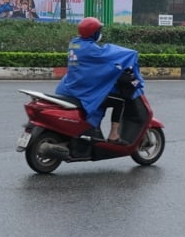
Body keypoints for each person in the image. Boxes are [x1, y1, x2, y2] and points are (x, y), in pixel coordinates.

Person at [54, 17, 144, 145]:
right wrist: (131, 55)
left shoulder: (74, 43)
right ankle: (113, 135)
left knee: (104, 98)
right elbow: (110, 53)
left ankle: (93, 131)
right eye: (98, 30)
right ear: (93, 33)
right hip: (84, 91)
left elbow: (95, 65)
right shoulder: (92, 50)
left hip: (70, 87)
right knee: (119, 102)